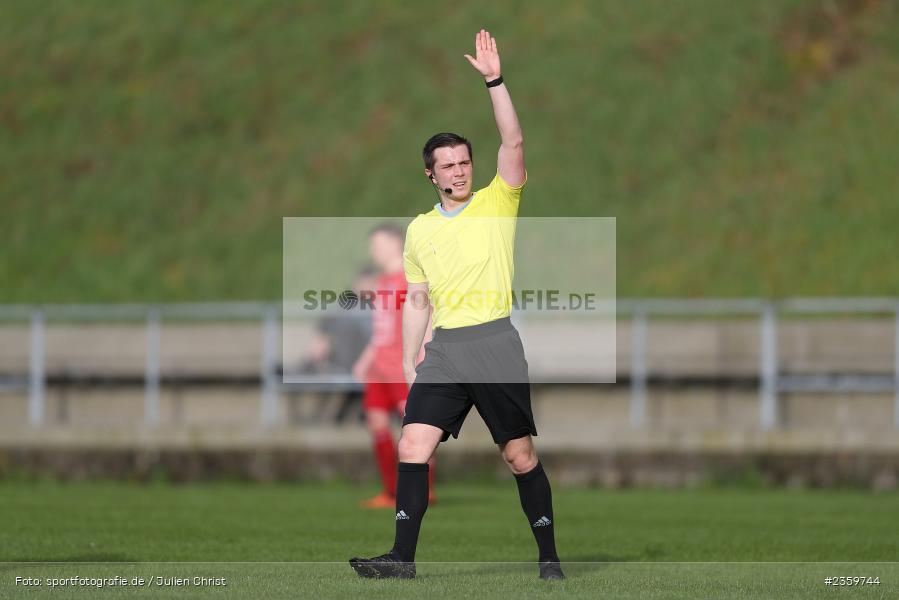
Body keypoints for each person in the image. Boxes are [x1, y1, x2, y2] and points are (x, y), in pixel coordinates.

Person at [350, 29, 564, 581]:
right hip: (444, 351)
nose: (458, 171)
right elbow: (416, 298)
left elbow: (513, 143)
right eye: (446, 165)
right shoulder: (418, 231)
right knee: (412, 443)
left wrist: (495, 80)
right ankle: (402, 559)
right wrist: (405, 360)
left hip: (493, 344)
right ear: (431, 173)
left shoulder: (499, 201)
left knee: (518, 456)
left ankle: (549, 559)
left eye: (464, 162)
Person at [353, 223, 436, 508]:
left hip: (403, 367)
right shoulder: (382, 282)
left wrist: (424, 353)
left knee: (414, 430)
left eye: (378, 244)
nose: (373, 250)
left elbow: (427, 314)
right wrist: (365, 359)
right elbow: (382, 329)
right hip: (379, 369)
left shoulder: (409, 277)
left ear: (395, 243)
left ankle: (423, 490)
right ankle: (391, 491)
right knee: (376, 424)